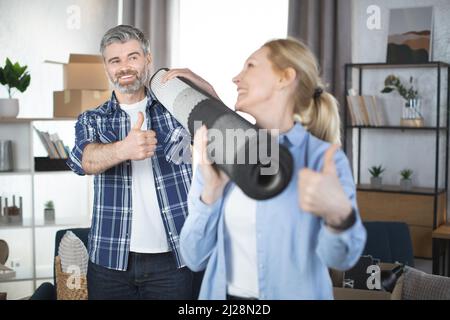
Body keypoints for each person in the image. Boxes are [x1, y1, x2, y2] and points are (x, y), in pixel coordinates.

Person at [166, 38, 367, 300]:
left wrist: (338, 215)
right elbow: (194, 258)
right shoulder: (220, 152)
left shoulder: (322, 159)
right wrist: (211, 193)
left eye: (250, 66)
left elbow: (341, 259)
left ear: (284, 78)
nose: (236, 78)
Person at [67, 25, 194, 299]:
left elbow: (223, 133)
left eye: (132, 57)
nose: (124, 67)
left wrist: (204, 87)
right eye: (115, 60)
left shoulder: (177, 109)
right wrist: (124, 149)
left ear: (148, 59)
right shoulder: (93, 119)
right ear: (106, 67)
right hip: (109, 262)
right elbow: (81, 160)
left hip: (174, 260)